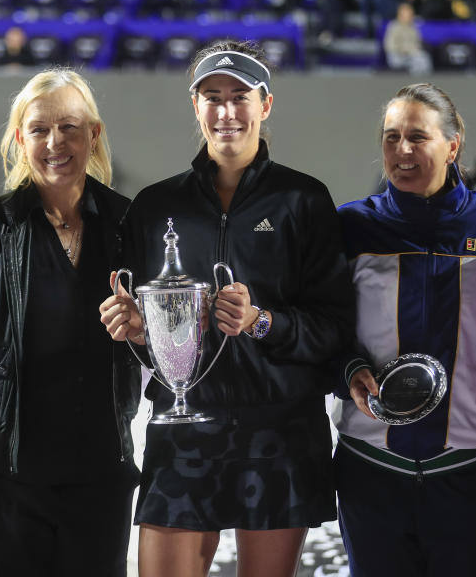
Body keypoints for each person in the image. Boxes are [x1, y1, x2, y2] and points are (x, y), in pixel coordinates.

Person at [99, 40, 355, 577]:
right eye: (212, 97)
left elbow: (334, 328)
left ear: (265, 104)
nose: (226, 111)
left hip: (280, 429)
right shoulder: (156, 206)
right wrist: (137, 330)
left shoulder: (303, 201)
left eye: (240, 96)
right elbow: (146, 322)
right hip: (185, 428)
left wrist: (262, 322)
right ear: (196, 107)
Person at [0, 69, 139, 576]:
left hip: (101, 480)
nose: (55, 143)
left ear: (93, 135)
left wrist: (145, 328)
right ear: (20, 138)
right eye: (39, 129)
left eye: (69, 127)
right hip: (7, 482)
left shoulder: (129, 224)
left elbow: (160, 343)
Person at [333, 83, 476, 577]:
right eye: (391, 136)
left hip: (473, 469)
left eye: (417, 137)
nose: (401, 151)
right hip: (372, 468)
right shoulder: (351, 226)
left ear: (453, 145)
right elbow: (322, 328)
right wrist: (347, 368)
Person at [382, 2, 433, 74]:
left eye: (410, 15)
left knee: (423, 58)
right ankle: (412, 81)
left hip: (410, 55)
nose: (409, 18)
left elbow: (417, 42)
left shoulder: (413, 27)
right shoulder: (393, 27)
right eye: (406, 16)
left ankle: (422, 82)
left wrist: (414, 49)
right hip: (397, 55)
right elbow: (389, 46)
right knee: (415, 61)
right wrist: (403, 50)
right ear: (399, 16)